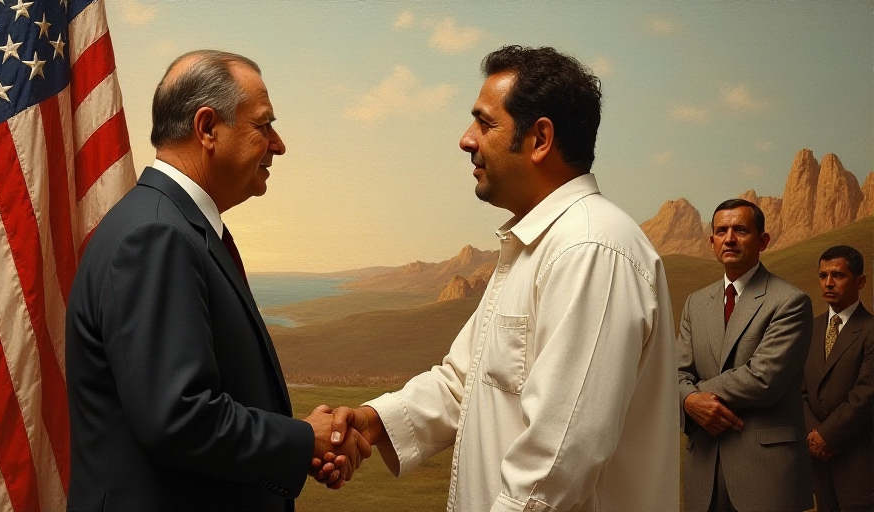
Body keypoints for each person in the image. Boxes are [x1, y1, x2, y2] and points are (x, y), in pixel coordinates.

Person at [320, 45, 680, 512]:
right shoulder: (538, 245)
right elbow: (463, 383)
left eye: (485, 123)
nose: (466, 140)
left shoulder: (590, 249)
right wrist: (372, 423)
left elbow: (558, 460)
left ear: (540, 139)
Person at [65, 50, 368, 512]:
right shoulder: (156, 235)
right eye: (263, 126)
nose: (278, 144)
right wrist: (304, 440)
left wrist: (298, 444)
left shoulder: (174, 226)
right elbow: (177, 418)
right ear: (207, 128)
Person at [678, 199, 814, 512]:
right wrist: (685, 400)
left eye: (740, 230)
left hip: (767, 474)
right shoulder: (694, 304)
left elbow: (763, 378)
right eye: (721, 231)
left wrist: (692, 397)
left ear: (763, 240)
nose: (729, 238)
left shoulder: (791, 302)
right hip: (704, 473)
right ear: (711, 242)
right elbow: (676, 374)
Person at [802, 245, 873, 512]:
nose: (828, 283)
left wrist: (827, 436)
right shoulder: (809, 328)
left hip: (859, 461)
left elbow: (866, 396)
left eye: (838, 275)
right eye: (823, 275)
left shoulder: (870, 330)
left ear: (860, 281)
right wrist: (813, 436)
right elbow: (797, 391)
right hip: (818, 462)